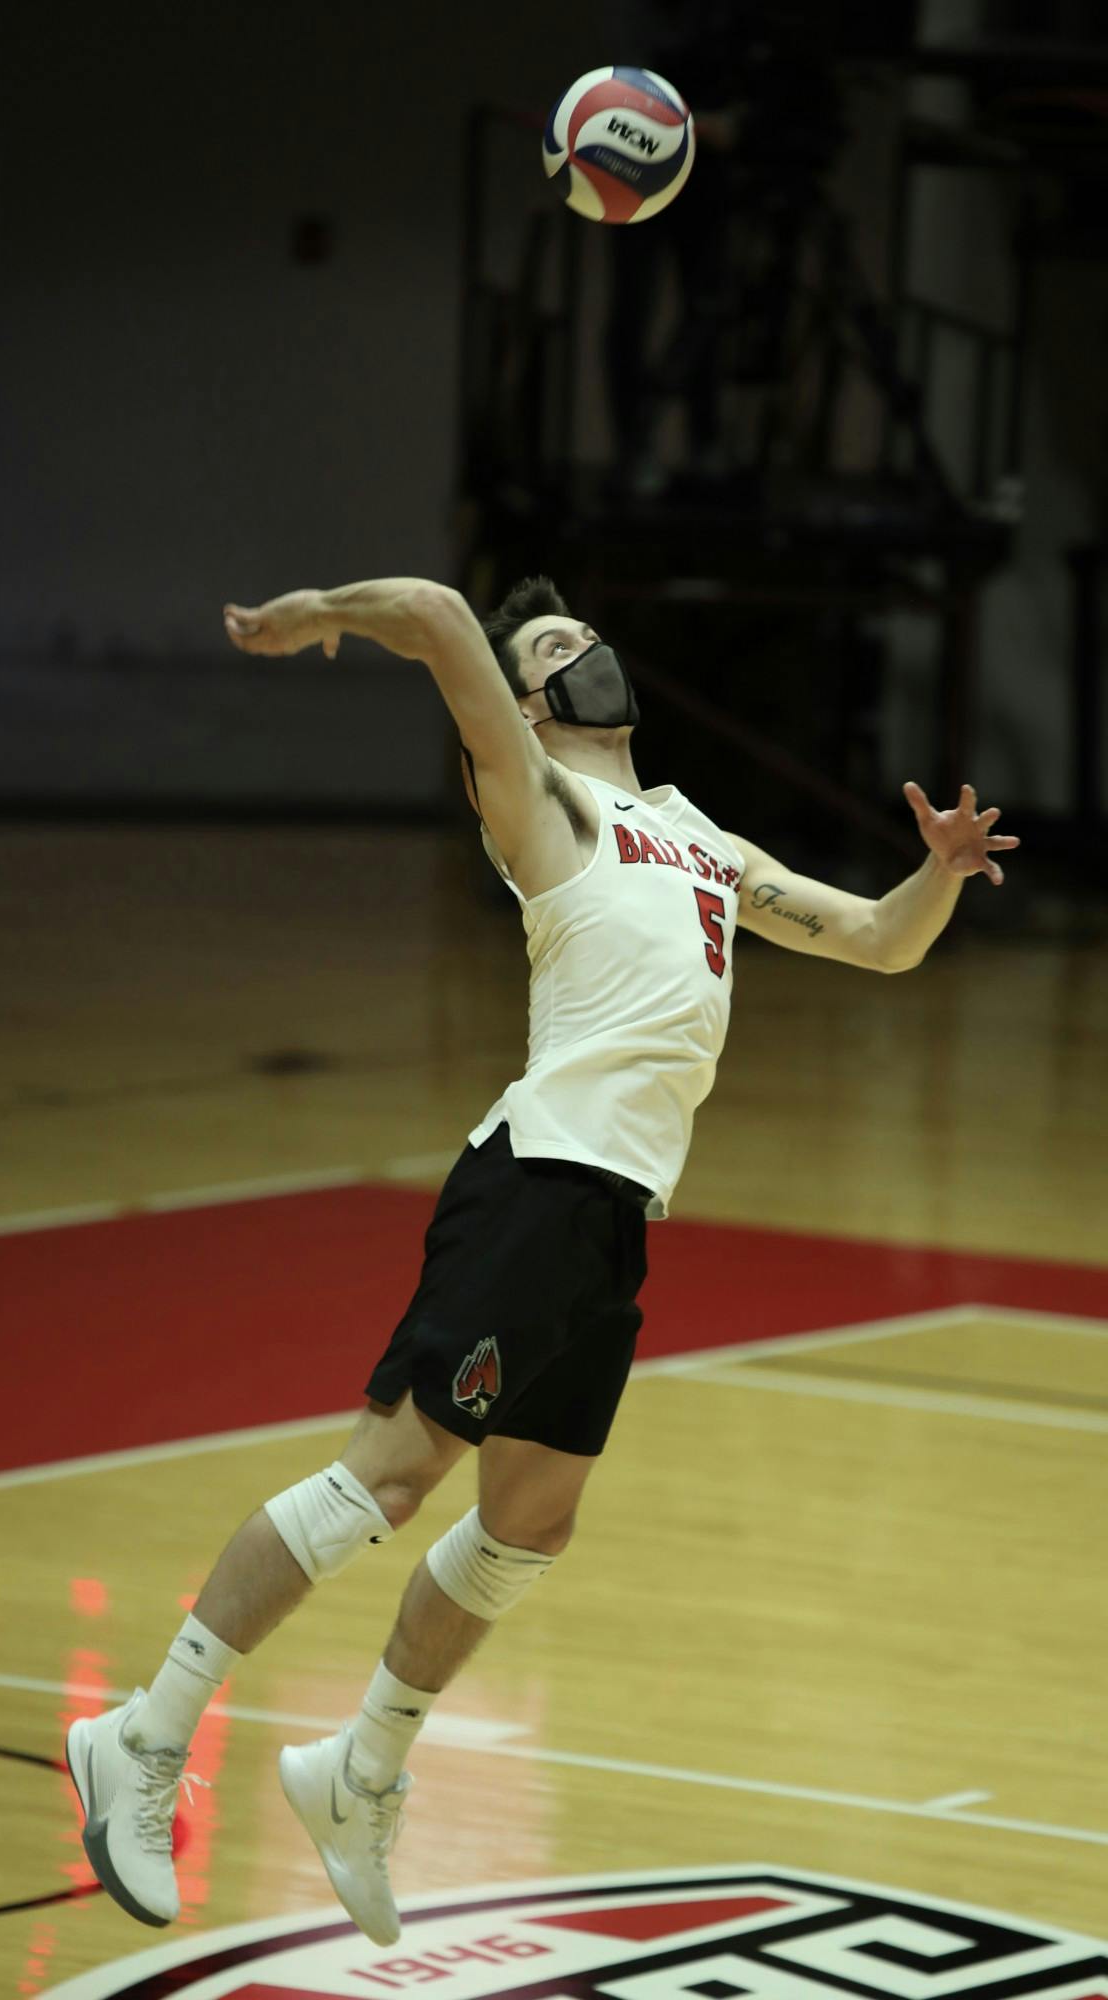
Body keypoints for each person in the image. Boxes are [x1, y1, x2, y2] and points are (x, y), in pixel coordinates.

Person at [65, 573, 1018, 1946]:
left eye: (580, 633)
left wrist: (937, 871)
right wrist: (330, 611)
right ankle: (145, 1736)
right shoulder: (539, 800)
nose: (581, 651)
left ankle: (360, 1772)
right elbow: (445, 616)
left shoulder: (693, 836)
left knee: (529, 1523)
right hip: (534, 1185)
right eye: (550, 648)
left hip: (616, 1216)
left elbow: (874, 941)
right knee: (384, 1480)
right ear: (525, 702)